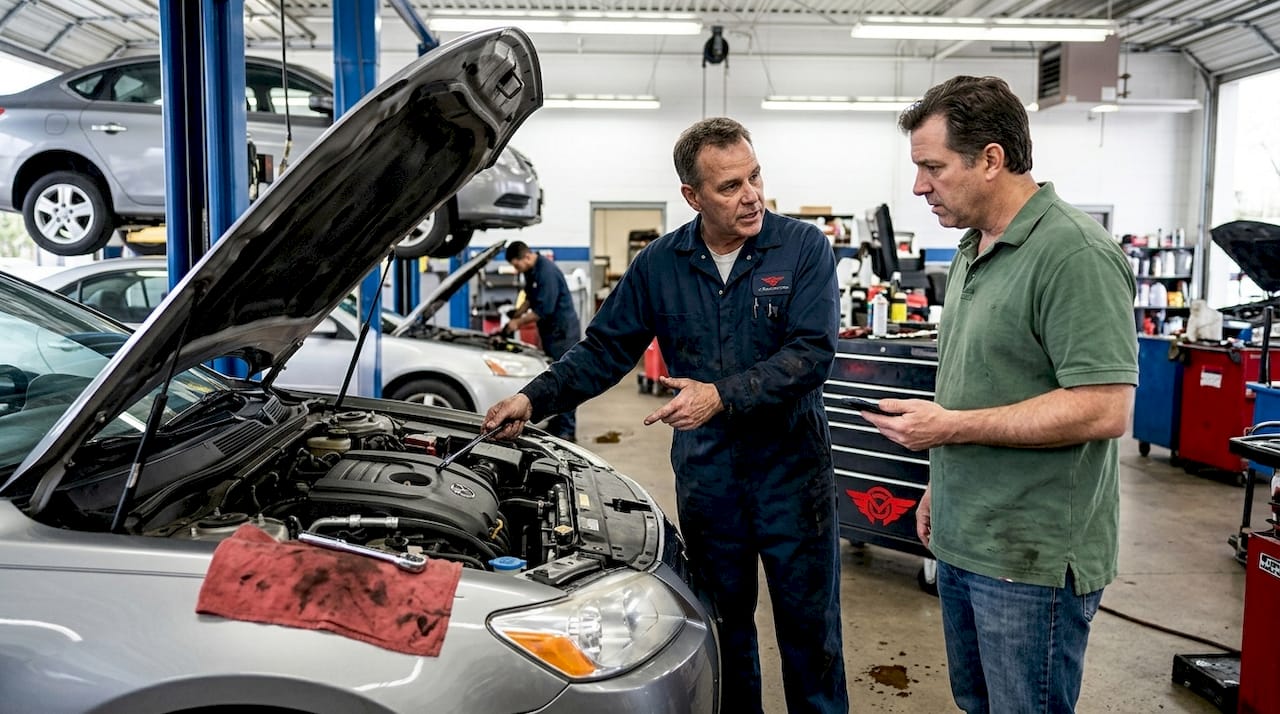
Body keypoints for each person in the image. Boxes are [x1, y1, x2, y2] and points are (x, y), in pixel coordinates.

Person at [484, 117, 848, 714]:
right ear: (692, 196)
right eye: (730, 186)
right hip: (711, 480)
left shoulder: (803, 248)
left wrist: (719, 395)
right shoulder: (661, 263)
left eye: (755, 177)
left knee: (811, 636)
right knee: (725, 631)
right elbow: (604, 350)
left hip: (793, 476)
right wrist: (533, 398)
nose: (752, 195)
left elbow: (811, 355)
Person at [863, 75, 1138, 714]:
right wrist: (941, 482)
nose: (919, 186)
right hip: (967, 534)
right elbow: (976, 383)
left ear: (991, 159)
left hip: (1031, 556)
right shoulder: (972, 249)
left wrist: (949, 429)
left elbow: (1104, 406)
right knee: (977, 704)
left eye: (933, 167)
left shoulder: (1074, 254)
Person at [501, 240, 582, 441]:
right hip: (551, 334)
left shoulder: (547, 272)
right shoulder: (531, 270)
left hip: (563, 334)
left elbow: (543, 310)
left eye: (516, 265)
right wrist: (516, 313)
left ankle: (568, 429)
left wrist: (517, 323)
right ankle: (558, 421)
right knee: (554, 377)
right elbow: (530, 297)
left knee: (565, 380)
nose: (516, 269)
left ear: (527, 257)